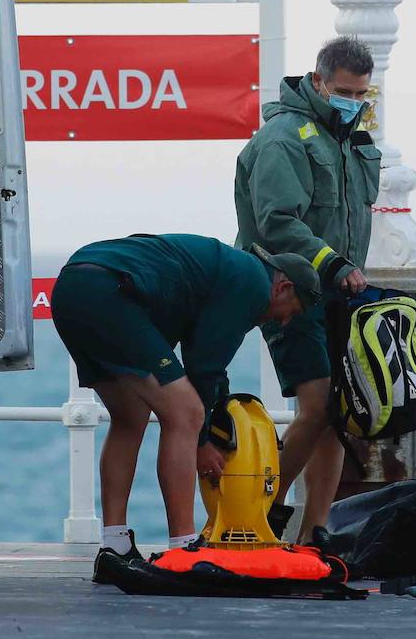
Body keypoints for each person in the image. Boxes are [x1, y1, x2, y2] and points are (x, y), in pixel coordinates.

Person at [49, 234, 321, 582]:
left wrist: (209, 417)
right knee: (185, 413)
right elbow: (204, 368)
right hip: (110, 291)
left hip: (73, 287)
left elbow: (205, 360)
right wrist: (202, 440)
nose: (282, 322)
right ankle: (185, 549)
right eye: (292, 312)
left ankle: (114, 545)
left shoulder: (233, 271)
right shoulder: (252, 284)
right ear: (283, 287)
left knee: (130, 417)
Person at [234, 36, 380, 546]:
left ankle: (317, 531)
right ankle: (264, 510)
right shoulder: (283, 137)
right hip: (289, 288)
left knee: (337, 413)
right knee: (317, 406)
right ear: (317, 81)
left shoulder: (346, 138)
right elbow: (277, 223)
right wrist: (334, 265)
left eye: (362, 94)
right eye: (344, 91)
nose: (353, 103)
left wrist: (346, 274)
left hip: (339, 294)